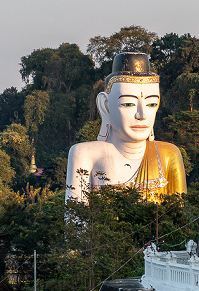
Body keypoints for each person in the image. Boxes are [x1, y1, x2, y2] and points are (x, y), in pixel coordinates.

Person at [66, 52, 187, 203]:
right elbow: (75, 220)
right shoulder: (84, 154)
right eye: (128, 104)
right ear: (105, 105)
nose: (141, 114)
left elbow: (181, 217)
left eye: (151, 104)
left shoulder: (168, 155)